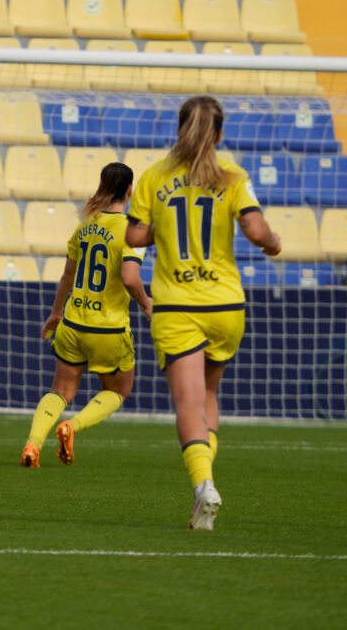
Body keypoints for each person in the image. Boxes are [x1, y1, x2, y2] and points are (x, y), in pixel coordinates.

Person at [125, 96, 282, 530]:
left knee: (188, 401)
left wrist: (160, 223)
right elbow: (254, 229)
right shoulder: (232, 177)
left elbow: (136, 234)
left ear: (179, 130)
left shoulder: (155, 176)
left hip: (177, 304)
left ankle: (203, 485)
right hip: (225, 304)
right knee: (210, 396)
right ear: (219, 134)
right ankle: (205, 483)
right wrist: (274, 243)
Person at [21, 162, 153, 469]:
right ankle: (72, 427)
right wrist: (147, 304)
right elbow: (131, 279)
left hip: (72, 322)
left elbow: (67, 276)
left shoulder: (84, 226)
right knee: (118, 391)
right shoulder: (131, 231)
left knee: (60, 391)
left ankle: (32, 444)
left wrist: (55, 314)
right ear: (130, 191)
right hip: (107, 328)